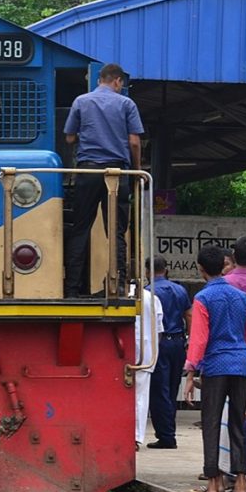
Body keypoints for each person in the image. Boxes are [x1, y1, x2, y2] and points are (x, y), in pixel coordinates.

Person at [62, 63, 144, 297]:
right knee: (116, 230)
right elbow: (135, 142)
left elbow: (69, 138)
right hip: (117, 174)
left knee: (80, 228)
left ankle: (72, 288)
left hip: (88, 172)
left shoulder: (81, 101)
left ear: (100, 79)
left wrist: (86, 135)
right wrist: (136, 171)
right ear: (117, 81)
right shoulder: (127, 104)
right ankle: (118, 284)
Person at [183, 246, 246, 492]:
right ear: (224, 267)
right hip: (240, 364)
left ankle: (214, 485)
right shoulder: (243, 298)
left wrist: (190, 372)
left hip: (215, 366)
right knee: (238, 424)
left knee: (211, 424)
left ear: (201, 270)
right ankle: (241, 485)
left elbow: (199, 340)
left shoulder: (203, 298)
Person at [145, 257, 193, 449]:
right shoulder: (179, 289)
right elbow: (188, 314)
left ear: (148, 270)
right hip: (178, 343)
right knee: (172, 389)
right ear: (166, 269)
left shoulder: (148, 292)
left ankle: (166, 436)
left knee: (159, 390)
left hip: (160, 343)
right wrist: (189, 338)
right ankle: (169, 430)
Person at [134, 284, 164, 450]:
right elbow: (159, 329)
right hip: (145, 353)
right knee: (140, 397)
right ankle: (136, 437)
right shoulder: (152, 298)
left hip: (122, 349)